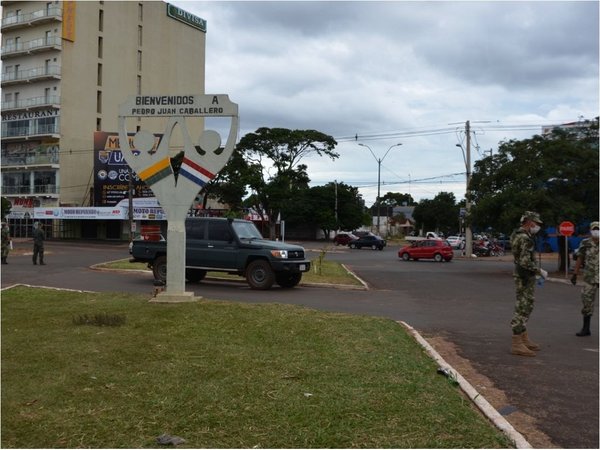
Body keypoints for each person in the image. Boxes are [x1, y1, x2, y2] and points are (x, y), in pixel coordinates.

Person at [510, 211, 548, 357]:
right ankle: (517, 343)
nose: (537, 226)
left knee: (526, 304)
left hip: (522, 275)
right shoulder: (526, 238)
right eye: (536, 223)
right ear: (529, 222)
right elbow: (525, 261)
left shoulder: (517, 234)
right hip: (524, 276)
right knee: (523, 307)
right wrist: (540, 271)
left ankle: (523, 338)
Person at [570, 221, 599, 337]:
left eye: (598, 229)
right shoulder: (585, 243)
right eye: (594, 229)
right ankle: (586, 329)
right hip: (590, 277)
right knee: (587, 302)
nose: (596, 231)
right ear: (590, 230)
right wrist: (575, 274)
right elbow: (580, 259)